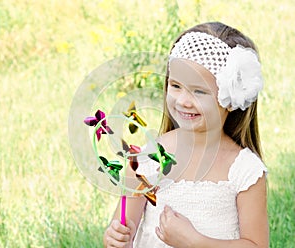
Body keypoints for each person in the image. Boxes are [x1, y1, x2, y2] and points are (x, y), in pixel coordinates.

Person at [103, 21, 268, 248]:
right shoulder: (148, 158)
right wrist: (116, 238)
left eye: (199, 91)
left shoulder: (244, 171)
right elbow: (123, 229)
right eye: (176, 86)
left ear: (231, 99)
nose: (182, 101)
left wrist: (194, 241)